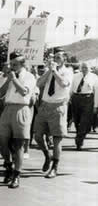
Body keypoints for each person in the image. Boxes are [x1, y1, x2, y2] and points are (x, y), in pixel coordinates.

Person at [0, 52, 36, 189]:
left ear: (22, 64)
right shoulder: (8, 76)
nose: (12, 67)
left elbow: (24, 92)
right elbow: (0, 93)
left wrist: (14, 80)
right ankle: (8, 164)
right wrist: (8, 80)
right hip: (8, 109)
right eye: (11, 64)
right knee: (2, 141)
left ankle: (16, 175)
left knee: (19, 144)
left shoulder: (30, 77)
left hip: (22, 109)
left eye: (15, 64)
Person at [34, 48, 73, 178]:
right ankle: (47, 155)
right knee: (38, 136)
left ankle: (54, 167)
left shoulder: (68, 72)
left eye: (58, 57)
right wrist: (48, 71)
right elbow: (38, 83)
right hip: (45, 105)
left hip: (58, 106)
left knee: (57, 139)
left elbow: (63, 84)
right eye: (54, 57)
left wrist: (55, 71)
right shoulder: (49, 71)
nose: (55, 59)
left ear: (64, 60)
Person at [70, 62, 97, 150]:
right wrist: (69, 99)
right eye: (83, 67)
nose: (84, 69)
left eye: (86, 67)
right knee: (77, 120)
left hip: (88, 99)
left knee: (85, 121)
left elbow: (96, 92)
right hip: (76, 98)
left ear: (90, 68)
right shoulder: (75, 76)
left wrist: (95, 106)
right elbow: (71, 88)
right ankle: (80, 135)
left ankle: (79, 140)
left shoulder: (94, 77)